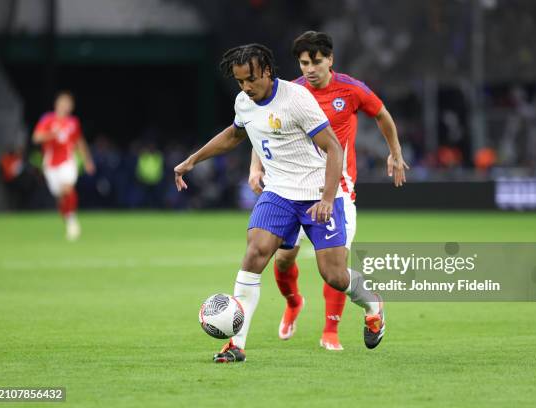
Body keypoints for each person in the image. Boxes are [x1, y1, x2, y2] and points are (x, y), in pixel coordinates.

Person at [174, 43, 385, 363]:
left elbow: (333, 148)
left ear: (268, 72)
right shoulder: (244, 102)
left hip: (318, 192)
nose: (246, 87)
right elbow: (234, 135)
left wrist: (328, 198)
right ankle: (236, 344)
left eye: (252, 80)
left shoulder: (297, 99)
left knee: (335, 276)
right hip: (279, 193)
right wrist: (193, 160)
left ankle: (373, 305)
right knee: (255, 252)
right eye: (240, 81)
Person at [248, 31, 408, 350]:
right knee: (281, 260)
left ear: (330, 60)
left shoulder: (350, 89)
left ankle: (332, 331)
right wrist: (256, 166)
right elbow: (265, 125)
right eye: (304, 62)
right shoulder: (291, 92)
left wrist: (396, 152)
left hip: (338, 193)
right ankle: (294, 303)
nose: (310, 68)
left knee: (334, 268)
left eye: (316, 62)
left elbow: (382, 114)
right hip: (294, 190)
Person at [32, 91, 95, 240]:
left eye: (68, 103)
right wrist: (52, 134)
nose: (65, 106)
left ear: (71, 106)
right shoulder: (48, 119)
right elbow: (36, 137)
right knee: (61, 198)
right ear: (56, 104)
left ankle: (72, 221)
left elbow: (79, 142)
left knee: (68, 189)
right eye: (62, 102)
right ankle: (68, 219)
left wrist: (87, 160)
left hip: (67, 161)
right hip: (50, 164)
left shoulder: (73, 122)